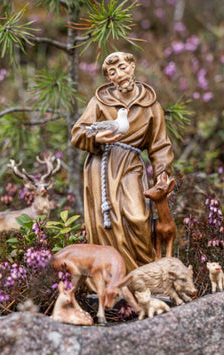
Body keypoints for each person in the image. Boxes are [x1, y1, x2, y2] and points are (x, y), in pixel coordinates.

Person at [71, 51, 174, 272]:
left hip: (130, 166)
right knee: (104, 223)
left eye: (123, 68)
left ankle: (144, 274)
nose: (120, 74)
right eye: (112, 72)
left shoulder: (150, 105)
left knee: (138, 218)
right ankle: (111, 276)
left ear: (133, 67)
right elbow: (78, 133)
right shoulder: (100, 102)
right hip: (102, 165)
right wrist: (95, 137)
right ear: (109, 78)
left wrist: (162, 174)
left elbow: (160, 145)